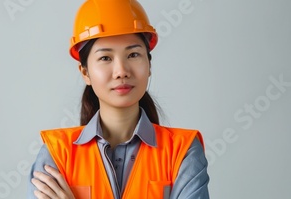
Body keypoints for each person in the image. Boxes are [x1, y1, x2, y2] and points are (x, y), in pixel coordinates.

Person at [27, 0, 210, 198]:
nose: (121, 71)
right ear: (85, 72)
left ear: (149, 65)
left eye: (133, 54)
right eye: (105, 58)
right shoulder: (57, 154)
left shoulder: (182, 152)